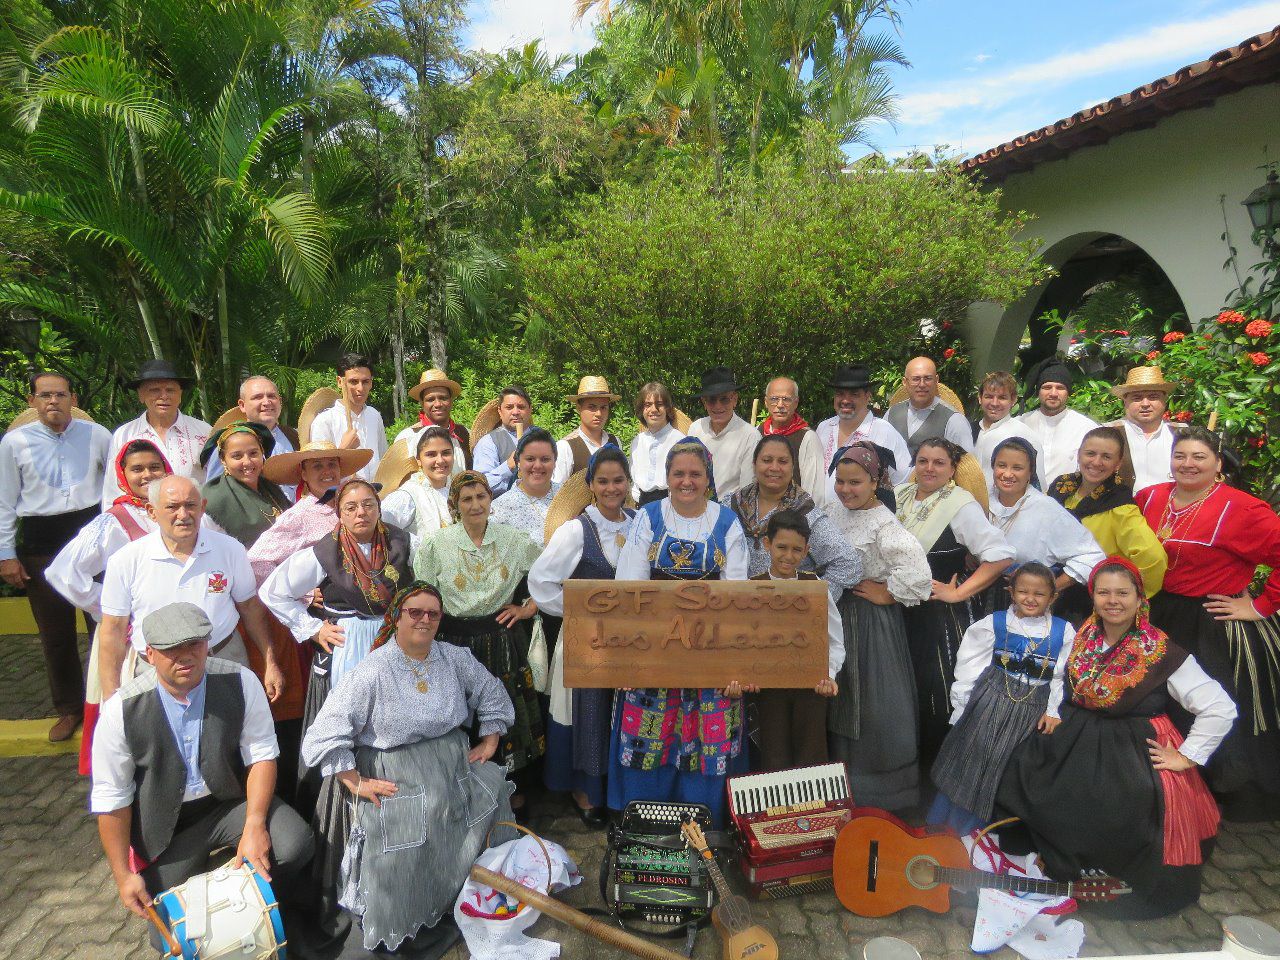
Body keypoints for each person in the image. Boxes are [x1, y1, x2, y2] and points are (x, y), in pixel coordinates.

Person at [997, 558, 1236, 918]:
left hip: (1130, 745)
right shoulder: (1087, 634)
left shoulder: (1161, 651)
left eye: (1123, 593)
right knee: (1027, 769)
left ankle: (1095, 879)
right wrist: (1055, 711)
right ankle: (1051, 861)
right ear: (1092, 597)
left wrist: (1186, 755)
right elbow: (1064, 677)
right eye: (1103, 592)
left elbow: (1220, 707)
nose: (1113, 600)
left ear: (1140, 598)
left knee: (1113, 803)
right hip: (1077, 733)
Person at [300, 583, 515, 955]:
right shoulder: (373, 671)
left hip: (451, 764)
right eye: (415, 612)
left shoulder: (454, 658)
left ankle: (470, 896)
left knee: (492, 787)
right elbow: (322, 733)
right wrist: (354, 781)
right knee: (408, 837)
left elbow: (491, 691)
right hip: (397, 772)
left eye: (432, 613)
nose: (424, 620)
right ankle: (412, 916)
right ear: (397, 618)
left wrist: (490, 739)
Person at [91, 603, 313, 927]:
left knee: (295, 843)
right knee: (166, 925)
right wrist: (123, 876)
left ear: (207, 644)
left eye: (194, 644)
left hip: (228, 805)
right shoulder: (120, 712)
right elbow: (112, 798)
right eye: (171, 649)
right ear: (149, 654)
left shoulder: (241, 681)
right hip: (167, 825)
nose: (186, 656)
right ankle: (213, 873)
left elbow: (261, 753)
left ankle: (262, 904)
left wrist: (254, 822)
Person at [1138, 426, 1280, 820]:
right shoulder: (1150, 497)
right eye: (1180, 455)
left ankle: (1210, 795)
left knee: (1204, 703)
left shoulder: (1243, 509)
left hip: (1209, 621)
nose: (1188, 464)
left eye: (1199, 457)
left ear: (1218, 464)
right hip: (1157, 613)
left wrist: (1261, 605)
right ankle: (1156, 787)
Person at [612, 438, 752, 827]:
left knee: (708, 735)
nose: (686, 481)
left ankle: (704, 824)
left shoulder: (727, 521)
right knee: (651, 731)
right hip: (654, 647)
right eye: (679, 473)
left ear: (708, 477)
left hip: (710, 651)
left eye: (695, 473)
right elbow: (629, 586)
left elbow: (737, 596)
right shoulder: (648, 517)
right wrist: (630, 658)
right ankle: (647, 824)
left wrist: (733, 665)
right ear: (668, 477)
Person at [414, 471, 544, 812]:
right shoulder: (435, 544)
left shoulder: (514, 540)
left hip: (501, 637)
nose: (475, 505)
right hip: (454, 642)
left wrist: (527, 607)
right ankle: (462, 793)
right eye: (466, 499)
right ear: (454, 505)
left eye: (481, 497)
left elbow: (548, 574)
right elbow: (423, 594)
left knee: (507, 712)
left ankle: (512, 793)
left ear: (490, 500)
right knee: (461, 713)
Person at [96, 475, 284, 703]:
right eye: (172, 507)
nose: (183, 515)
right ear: (152, 511)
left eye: (190, 505)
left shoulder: (230, 549)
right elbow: (113, 630)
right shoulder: (125, 560)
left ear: (203, 507)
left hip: (223, 660)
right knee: (161, 738)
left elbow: (250, 608)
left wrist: (270, 662)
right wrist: (110, 697)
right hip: (155, 671)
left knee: (230, 736)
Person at [1, 371, 112, 742]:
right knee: (55, 633)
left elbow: (113, 490)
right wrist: (6, 554)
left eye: (60, 394)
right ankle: (68, 709)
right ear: (32, 401)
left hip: (90, 536)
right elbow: (4, 503)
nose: (53, 402)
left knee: (105, 623)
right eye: (45, 395)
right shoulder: (14, 444)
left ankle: (109, 704)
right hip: (40, 542)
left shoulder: (98, 436)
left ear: (73, 398)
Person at [528, 448, 635, 827]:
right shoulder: (576, 529)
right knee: (589, 710)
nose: (611, 488)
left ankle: (620, 791)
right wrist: (578, 612)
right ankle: (586, 791)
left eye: (618, 480)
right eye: (603, 481)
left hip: (631, 643)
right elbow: (539, 582)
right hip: (586, 640)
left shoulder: (639, 524)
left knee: (623, 714)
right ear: (590, 485)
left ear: (628, 482)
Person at [48, 439, 170, 772]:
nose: (147, 474)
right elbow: (63, 572)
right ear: (122, 474)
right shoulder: (114, 520)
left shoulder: (176, 508)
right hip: (128, 636)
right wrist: (111, 607)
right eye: (137, 469)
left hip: (172, 628)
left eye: (154, 466)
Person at [824, 442, 931, 810]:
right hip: (837, 616)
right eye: (840, 481)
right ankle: (840, 792)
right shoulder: (832, 513)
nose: (846, 490)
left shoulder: (884, 522)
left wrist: (887, 593)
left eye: (855, 483)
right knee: (842, 698)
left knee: (871, 704)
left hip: (870, 624)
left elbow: (918, 574)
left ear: (874, 482)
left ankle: (878, 797)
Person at [930, 562, 1073, 835]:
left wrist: (1054, 709)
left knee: (1002, 769)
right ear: (1011, 592)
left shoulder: (1063, 632)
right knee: (970, 757)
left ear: (1053, 597)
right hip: (992, 698)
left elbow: (1061, 675)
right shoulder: (996, 623)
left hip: (1032, 708)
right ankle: (942, 828)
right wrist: (962, 704)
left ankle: (977, 835)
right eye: (1023, 592)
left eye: (1039, 594)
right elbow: (971, 662)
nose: (1030, 599)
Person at [896, 438, 1014, 767]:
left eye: (938, 462)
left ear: (952, 470)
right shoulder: (900, 496)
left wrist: (959, 593)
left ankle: (939, 769)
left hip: (939, 613)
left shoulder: (960, 504)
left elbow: (1000, 556)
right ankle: (908, 765)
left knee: (937, 688)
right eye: (923, 461)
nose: (929, 468)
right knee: (906, 687)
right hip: (900, 608)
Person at [751, 510, 843, 771]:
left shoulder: (815, 587)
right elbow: (742, 642)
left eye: (796, 550)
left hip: (811, 689)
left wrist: (829, 674)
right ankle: (776, 811)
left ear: (807, 551)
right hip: (768, 690)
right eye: (781, 547)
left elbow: (835, 640)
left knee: (811, 755)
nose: (788, 556)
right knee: (773, 756)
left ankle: (812, 811)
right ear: (767, 544)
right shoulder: (751, 588)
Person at [1047, 426, 1166, 624]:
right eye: (1090, 454)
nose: (1096, 462)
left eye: (1106, 457)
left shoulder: (1119, 506)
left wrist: (1123, 596)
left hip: (1086, 604)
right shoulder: (1061, 488)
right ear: (1078, 455)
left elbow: (1153, 558)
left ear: (1118, 463)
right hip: (1046, 593)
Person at [723, 435, 861, 592]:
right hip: (737, 606)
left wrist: (810, 601)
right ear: (754, 464)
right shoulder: (732, 506)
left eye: (783, 461)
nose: (774, 468)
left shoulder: (805, 513)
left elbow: (849, 564)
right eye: (767, 460)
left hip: (786, 610)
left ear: (793, 467)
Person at [984, 437, 1106, 612]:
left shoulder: (1046, 509)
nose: (1008, 474)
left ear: (1030, 472)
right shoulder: (983, 501)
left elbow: (1092, 556)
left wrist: (1050, 588)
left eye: (1017, 468)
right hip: (981, 599)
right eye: (1001, 465)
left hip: (1030, 609)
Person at [248, 441, 372, 585]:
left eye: (332, 464)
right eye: (317, 466)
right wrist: (299, 593)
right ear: (304, 474)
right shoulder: (298, 516)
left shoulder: (351, 506)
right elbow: (257, 561)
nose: (327, 471)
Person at [102, 359, 212, 508]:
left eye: (170, 390)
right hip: (140, 522)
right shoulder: (124, 435)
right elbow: (113, 489)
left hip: (194, 519)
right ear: (141, 395)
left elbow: (215, 481)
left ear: (180, 394)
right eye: (155, 390)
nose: (164, 396)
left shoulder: (203, 432)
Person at [814, 364, 910, 484]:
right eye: (840, 394)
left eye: (854, 394)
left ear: (867, 396)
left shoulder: (884, 432)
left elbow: (904, 481)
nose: (845, 400)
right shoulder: (824, 428)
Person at [199, 423, 291, 547]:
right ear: (223, 459)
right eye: (237, 456)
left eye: (253, 453)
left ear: (262, 453)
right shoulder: (213, 502)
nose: (247, 462)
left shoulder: (273, 488)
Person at [204, 377, 299, 497]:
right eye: (258, 397)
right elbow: (214, 494)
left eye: (271, 396)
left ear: (280, 402)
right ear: (242, 405)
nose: (266, 402)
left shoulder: (293, 436)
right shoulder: (229, 442)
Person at [307, 352, 387, 482]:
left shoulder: (374, 415)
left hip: (374, 495)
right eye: (354, 382)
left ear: (371, 383)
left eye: (365, 382)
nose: (360, 388)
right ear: (340, 382)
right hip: (340, 497)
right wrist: (344, 450)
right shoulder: (324, 421)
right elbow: (319, 472)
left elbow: (384, 459)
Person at [1019, 361, 1096, 485]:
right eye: (1047, 387)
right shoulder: (1021, 424)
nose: (1053, 393)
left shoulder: (1087, 428)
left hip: (1065, 501)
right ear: (1038, 391)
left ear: (1068, 392)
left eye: (1060, 388)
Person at [686, 365, 758, 498]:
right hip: (695, 505)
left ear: (734, 399)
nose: (718, 406)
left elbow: (747, 490)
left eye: (724, 399)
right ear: (704, 402)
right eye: (712, 400)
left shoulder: (750, 436)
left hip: (730, 511)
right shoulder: (695, 429)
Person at [381, 425, 455, 550]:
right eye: (431, 455)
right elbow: (380, 528)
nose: (440, 460)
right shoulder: (408, 495)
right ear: (418, 460)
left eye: (446, 453)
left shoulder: (458, 490)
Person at [885, 356, 974, 459]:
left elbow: (966, 466)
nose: (922, 384)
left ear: (936, 380)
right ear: (905, 382)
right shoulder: (892, 413)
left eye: (927, 378)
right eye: (916, 379)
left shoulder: (954, 420)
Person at [1109, 365, 1179, 493]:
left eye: (1153, 397)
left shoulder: (1182, 433)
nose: (1145, 404)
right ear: (1125, 401)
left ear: (1164, 399)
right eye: (1137, 398)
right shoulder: (1107, 434)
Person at [973, 371, 1046, 488]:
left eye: (1002, 397)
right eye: (989, 396)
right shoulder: (970, 430)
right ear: (980, 398)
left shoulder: (1023, 435)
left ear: (1013, 400)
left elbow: (1038, 483)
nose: (994, 403)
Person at [759, 376, 826, 500]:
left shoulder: (807, 438)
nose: (780, 405)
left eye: (786, 399)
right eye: (774, 399)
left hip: (793, 515)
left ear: (796, 402)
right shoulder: (758, 433)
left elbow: (814, 492)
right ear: (766, 402)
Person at [490, 427, 561, 545]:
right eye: (530, 459)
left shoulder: (569, 496)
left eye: (545, 459)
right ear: (518, 462)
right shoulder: (500, 508)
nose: (538, 465)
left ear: (554, 462)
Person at [393, 367, 471, 474]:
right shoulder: (408, 438)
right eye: (430, 399)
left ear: (451, 401)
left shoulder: (465, 434)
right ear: (422, 403)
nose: (438, 404)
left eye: (443, 398)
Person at [552, 376, 622, 484]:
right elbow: (557, 491)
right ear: (579, 408)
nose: (598, 413)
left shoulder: (615, 441)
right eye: (592, 407)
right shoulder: (565, 447)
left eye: (603, 407)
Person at [629, 381, 685, 505]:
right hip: (641, 504)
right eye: (647, 405)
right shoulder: (637, 441)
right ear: (641, 409)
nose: (653, 409)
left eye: (659, 404)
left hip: (671, 504)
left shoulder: (679, 441)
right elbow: (634, 479)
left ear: (667, 409)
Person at [472, 386, 534, 497]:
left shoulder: (543, 437)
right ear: (500, 411)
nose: (515, 412)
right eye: (509, 407)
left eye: (521, 407)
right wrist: (508, 466)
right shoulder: (488, 442)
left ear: (530, 410)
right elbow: (478, 487)